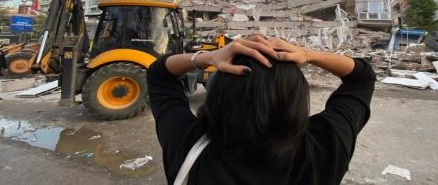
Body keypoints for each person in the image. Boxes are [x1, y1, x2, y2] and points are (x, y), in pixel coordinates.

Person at [147, 35, 375, 184]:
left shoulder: (186, 144)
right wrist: (307, 54)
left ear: (217, 94)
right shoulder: (325, 146)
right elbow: (361, 78)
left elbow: (159, 74)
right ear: (295, 97)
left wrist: (209, 57)